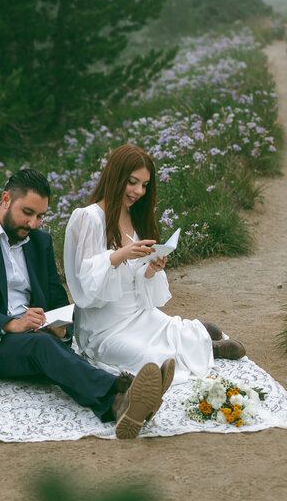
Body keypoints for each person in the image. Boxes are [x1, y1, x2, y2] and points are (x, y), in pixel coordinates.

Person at [0, 168, 174, 440]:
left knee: (48, 345)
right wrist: (12, 324)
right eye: (27, 213)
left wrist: (61, 326)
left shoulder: (39, 240)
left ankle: (128, 399)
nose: (34, 223)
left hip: (32, 334)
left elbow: (56, 298)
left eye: (41, 216)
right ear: (5, 200)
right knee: (42, 346)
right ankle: (119, 397)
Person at [64, 144, 246, 384]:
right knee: (153, 357)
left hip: (138, 313)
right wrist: (120, 255)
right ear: (115, 176)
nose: (139, 191)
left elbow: (135, 279)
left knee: (170, 331)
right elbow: (85, 282)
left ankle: (197, 339)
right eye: (132, 182)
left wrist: (151, 269)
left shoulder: (134, 216)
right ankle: (205, 345)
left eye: (145, 185)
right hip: (104, 327)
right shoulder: (88, 217)